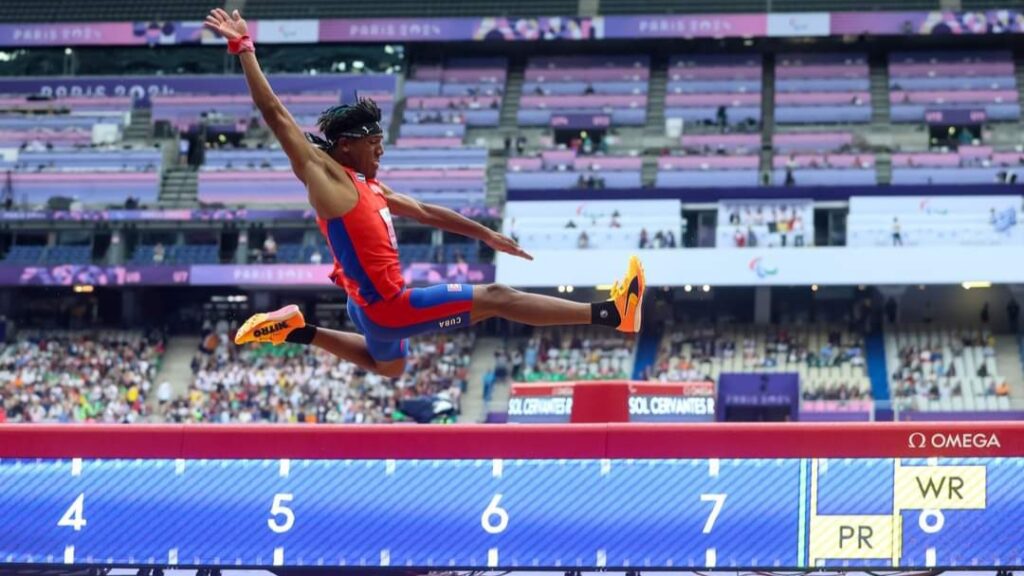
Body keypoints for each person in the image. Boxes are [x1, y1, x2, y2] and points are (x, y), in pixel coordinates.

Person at [207, 9, 646, 379]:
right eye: (373, 144)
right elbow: (277, 115)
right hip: (389, 307)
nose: (380, 151)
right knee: (496, 297)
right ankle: (611, 312)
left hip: (363, 309)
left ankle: (299, 330)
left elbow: (423, 210)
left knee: (391, 369)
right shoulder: (326, 177)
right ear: (345, 146)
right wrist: (244, 49)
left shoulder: (368, 185)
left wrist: (486, 235)